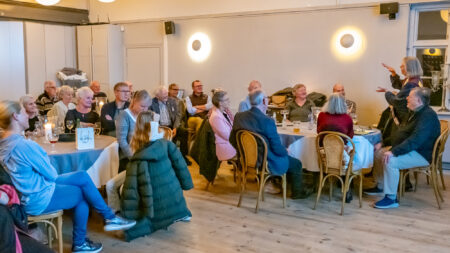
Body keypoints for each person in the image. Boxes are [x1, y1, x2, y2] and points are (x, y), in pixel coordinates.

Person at [0, 101, 136, 253]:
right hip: (37, 196)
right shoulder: (23, 146)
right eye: (24, 112)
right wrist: (42, 156)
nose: (28, 115)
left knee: (82, 176)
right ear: (15, 116)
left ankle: (109, 218)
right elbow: (51, 174)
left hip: (24, 194)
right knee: (83, 194)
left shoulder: (4, 143)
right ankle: (81, 242)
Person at [120, 111, 193, 241]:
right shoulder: (167, 144)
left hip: (154, 204)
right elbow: (181, 166)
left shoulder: (137, 159)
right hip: (174, 196)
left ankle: (116, 217)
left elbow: (131, 192)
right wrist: (186, 184)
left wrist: (129, 216)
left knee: (117, 187)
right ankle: (180, 213)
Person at [365, 87, 440, 209]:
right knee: (378, 153)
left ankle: (391, 198)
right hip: (413, 148)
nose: (406, 98)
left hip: (422, 154)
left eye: (410, 96)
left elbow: (416, 140)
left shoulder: (427, 117)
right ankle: (380, 186)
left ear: (419, 101)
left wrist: (394, 152)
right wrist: (383, 143)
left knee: (391, 162)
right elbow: (401, 134)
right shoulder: (414, 112)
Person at [230, 90, 310, 199]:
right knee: (296, 163)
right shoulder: (267, 121)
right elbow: (277, 149)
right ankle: (297, 192)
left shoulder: (239, 117)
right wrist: (284, 150)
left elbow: (232, 139)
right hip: (266, 161)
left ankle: (281, 184)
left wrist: (246, 153)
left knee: (287, 158)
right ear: (263, 101)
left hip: (246, 160)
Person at [106, 90, 156, 213]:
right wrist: (133, 157)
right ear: (133, 102)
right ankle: (116, 211)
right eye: (142, 106)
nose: (145, 109)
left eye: (147, 106)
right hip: (128, 157)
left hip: (143, 157)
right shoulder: (124, 115)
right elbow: (122, 141)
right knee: (117, 185)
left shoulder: (146, 115)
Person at [317, 93, 355, 202]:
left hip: (324, 156)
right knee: (351, 154)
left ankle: (319, 183)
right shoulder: (347, 118)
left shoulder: (321, 115)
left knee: (341, 152)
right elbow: (350, 136)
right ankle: (347, 188)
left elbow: (318, 132)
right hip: (341, 157)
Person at [378, 57, 423, 128]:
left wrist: (388, 92)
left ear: (409, 68)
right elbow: (401, 86)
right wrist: (393, 73)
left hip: (405, 119)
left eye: (402, 66)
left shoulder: (412, 84)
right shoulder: (415, 79)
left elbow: (396, 101)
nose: (400, 67)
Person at [209, 90, 236, 161]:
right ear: (220, 103)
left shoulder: (223, 112)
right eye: (226, 100)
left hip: (229, 144)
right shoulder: (216, 117)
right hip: (225, 148)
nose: (229, 101)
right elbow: (228, 136)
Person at [168, 83, 191, 165]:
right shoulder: (165, 100)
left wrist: (175, 127)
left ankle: (183, 156)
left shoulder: (180, 101)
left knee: (184, 132)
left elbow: (180, 116)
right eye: (174, 89)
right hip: (166, 124)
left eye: (177, 90)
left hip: (176, 125)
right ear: (169, 90)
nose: (176, 91)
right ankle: (171, 157)